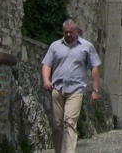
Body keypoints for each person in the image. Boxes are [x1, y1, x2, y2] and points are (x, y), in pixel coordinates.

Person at [41, 19, 102, 153]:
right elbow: (47, 64)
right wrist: (46, 80)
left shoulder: (86, 46)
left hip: (76, 89)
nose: (68, 34)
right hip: (57, 88)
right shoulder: (55, 46)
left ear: (77, 31)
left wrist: (95, 90)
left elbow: (95, 67)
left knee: (70, 122)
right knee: (57, 125)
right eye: (65, 32)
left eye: (71, 32)